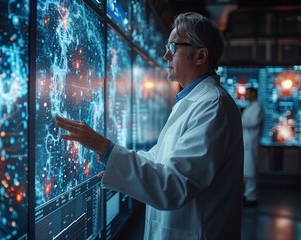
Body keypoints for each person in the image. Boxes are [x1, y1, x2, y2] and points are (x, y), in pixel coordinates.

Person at [55, 12, 243, 240]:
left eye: (173, 48)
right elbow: (160, 157)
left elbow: (174, 186)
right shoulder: (193, 102)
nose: (165, 55)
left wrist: (106, 148)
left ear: (200, 56)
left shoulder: (213, 106)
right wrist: (113, 161)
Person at [242, 87, 264, 206]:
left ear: (254, 94)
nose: (246, 95)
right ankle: (248, 194)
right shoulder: (250, 106)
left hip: (251, 143)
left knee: (251, 170)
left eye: (248, 93)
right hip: (247, 143)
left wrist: (241, 120)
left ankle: (252, 196)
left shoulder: (257, 106)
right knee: (247, 170)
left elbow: (254, 122)